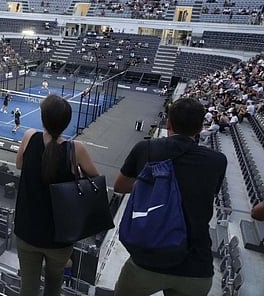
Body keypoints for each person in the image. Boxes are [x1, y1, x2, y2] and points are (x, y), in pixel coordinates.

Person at [113, 97, 227, 296]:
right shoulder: (217, 161)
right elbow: (207, 193)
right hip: (197, 267)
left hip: (148, 261)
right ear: (201, 128)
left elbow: (120, 186)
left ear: (168, 123)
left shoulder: (145, 149)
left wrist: (152, 184)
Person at [14, 94, 99, 296]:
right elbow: (95, 179)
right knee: (54, 285)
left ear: (43, 119)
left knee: (28, 287)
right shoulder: (76, 149)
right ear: (66, 122)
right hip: (60, 237)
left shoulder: (29, 137)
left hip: (27, 231)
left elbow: (19, 164)